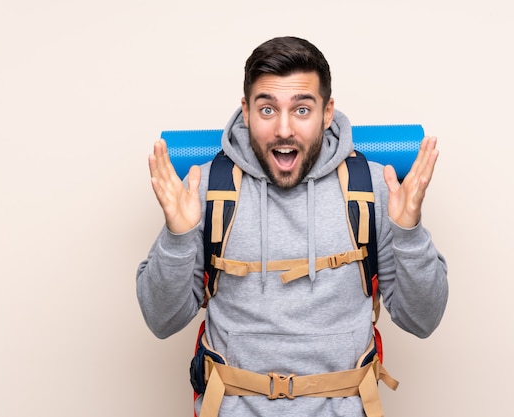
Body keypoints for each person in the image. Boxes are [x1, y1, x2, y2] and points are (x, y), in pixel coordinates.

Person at [137, 36, 448, 417]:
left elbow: (423, 320)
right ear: (246, 111)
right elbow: (161, 320)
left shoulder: (375, 188)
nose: (284, 129)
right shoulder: (202, 189)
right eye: (267, 110)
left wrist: (409, 233)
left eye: (302, 109)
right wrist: (178, 237)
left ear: (327, 112)